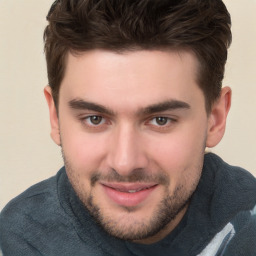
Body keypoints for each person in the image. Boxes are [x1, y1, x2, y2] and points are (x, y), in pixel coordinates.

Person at [0, 0, 256, 255]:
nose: (125, 163)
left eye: (160, 120)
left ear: (216, 118)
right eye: (95, 119)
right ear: (55, 117)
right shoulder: (21, 240)